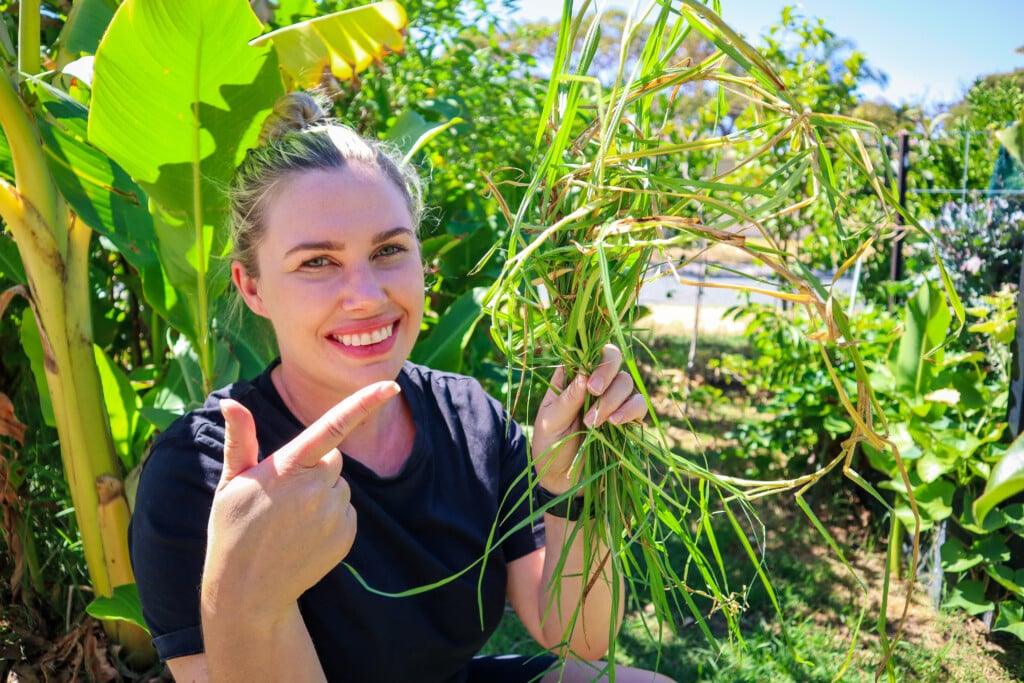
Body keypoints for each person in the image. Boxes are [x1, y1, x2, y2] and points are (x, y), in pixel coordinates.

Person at [129, 91, 674, 683]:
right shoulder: (203, 472)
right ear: (253, 287)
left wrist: (567, 486)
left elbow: (580, 635)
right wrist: (248, 592)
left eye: (389, 250)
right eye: (317, 262)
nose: (366, 295)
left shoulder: (470, 420)